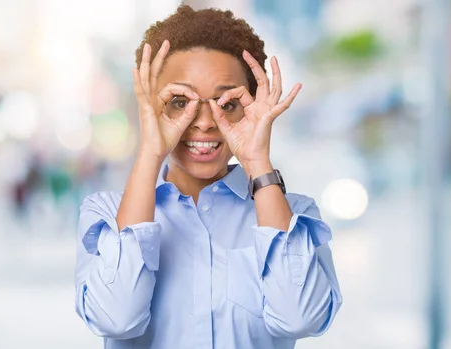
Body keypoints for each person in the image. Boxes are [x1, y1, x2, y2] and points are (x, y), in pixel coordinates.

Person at [74, 5, 342, 349]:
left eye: (227, 103)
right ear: (149, 105)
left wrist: (257, 160)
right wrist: (150, 154)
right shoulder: (106, 214)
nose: (203, 121)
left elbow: (302, 318)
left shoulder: (292, 216)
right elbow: (116, 319)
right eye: (178, 101)